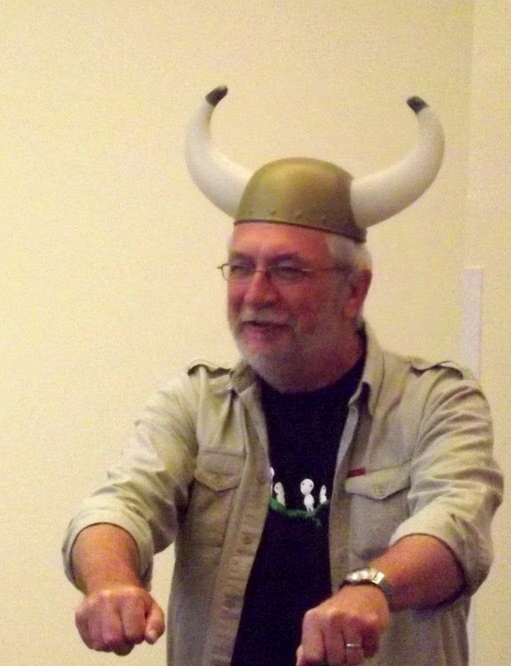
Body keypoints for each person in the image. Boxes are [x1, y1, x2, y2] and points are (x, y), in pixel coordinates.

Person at [63, 87, 502, 665]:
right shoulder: (194, 404)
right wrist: (111, 581)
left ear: (354, 290)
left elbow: (457, 526)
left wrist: (374, 588)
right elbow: (120, 505)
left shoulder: (438, 402)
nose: (255, 294)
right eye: (241, 267)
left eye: (288, 270)